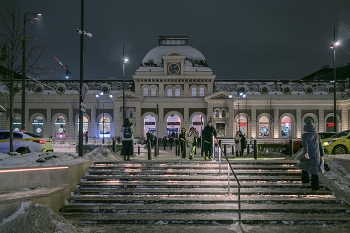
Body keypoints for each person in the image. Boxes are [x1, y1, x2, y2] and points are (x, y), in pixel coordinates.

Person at [299, 120, 325, 190]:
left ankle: (305, 180)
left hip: (308, 154)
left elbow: (305, 145)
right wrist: (322, 155)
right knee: (315, 171)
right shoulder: (317, 135)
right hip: (316, 155)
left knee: (304, 165)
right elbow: (320, 146)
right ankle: (315, 186)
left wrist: (306, 153)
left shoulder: (304, 135)